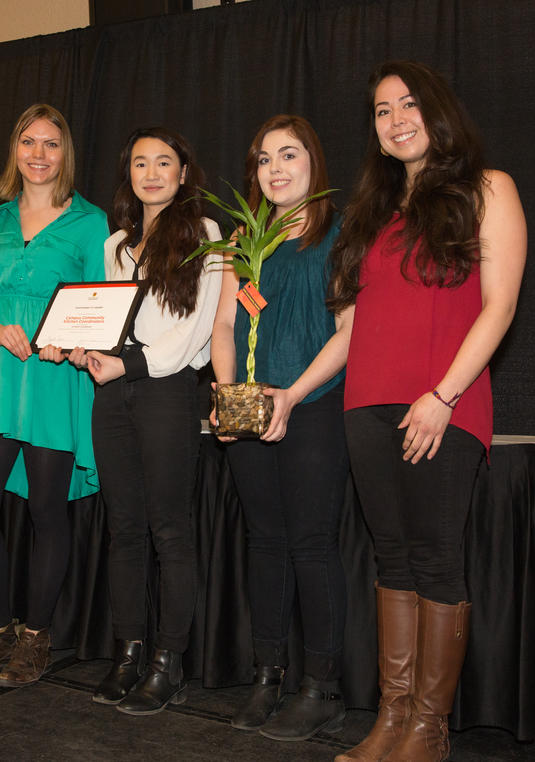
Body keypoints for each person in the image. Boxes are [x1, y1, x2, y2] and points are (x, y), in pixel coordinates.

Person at [330, 61, 526, 762]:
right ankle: (392, 717)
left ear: (437, 110)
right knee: (393, 560)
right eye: (381, 111)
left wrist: (442, 395)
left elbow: (499, 305)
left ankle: (428, 729)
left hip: (444, 403)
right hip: (366, 404)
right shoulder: (374, 214)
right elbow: (352, 326)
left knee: (438, 560)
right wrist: (292, 392)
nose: (395, 119)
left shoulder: (488, 188)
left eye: (407, 104)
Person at [0, 104, 107, 688]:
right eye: (28, 143)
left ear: (66, 154)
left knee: (46, 509)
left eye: (51, 144)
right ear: (15, 151)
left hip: (55, 375)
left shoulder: (90, 221)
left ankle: (37, 636)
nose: (39, 154)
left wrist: (68, 340)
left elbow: (102, 302)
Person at [209, 115, 350, 740]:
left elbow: (351, 331)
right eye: (264, 159)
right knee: (264, 542)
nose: (276, 169)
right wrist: (228, 395)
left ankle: (321, 687)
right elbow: (222, 328)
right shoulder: (244, 240)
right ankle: (269, 675)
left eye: (289, 155)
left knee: (311, 544)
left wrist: (290, 395)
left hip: (312, 405)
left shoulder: (342, 233)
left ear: (313, 162)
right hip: (247, 411)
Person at [84, 127, 220, 715]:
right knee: (124, 529)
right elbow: (100, 316)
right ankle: (129, 651)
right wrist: (78, 345)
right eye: (140, 163)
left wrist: (126, 363)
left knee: (169, 531)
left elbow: (194, 332)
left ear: (184, 172)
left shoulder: (207, 236)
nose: (152, 173)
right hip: (111, 397)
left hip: (166, 392)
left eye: (165, 162)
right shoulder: (115, 244)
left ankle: (170, 660)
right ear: (129, 175)